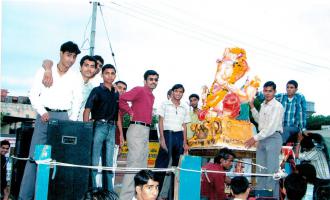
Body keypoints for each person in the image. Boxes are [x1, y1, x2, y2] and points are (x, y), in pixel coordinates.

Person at [19, 41, 82, 200]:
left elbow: (77, 100)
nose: (71, 60)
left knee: (60, 159)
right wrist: (42, 111)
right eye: (68, 55)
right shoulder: (45, 70)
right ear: (61, 53)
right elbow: (33, 94)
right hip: (44, 117)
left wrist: (71, 120)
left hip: (64, 119)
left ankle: (53, 196)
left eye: (74, 57)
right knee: (35, 158)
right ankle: (24, 197)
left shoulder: (75, 77)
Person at [119, 70, 159, 200]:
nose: (153, 81)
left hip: (146, 130)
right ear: (145, 81)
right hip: (136, 129)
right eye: (151, 79)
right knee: (133, 166)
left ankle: (138, 197)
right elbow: (122, 98)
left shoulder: (152, 96)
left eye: (155, 79)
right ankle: (124, 198)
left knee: (142, 167)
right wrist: (129, 111)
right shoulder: (140, 90)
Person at [83, 64, 122, 191]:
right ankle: (93, 190)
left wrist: (120, 134)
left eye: (112, 73)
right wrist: (86, 129)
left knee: (109, 162)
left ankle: (108, 191)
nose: (110, 76)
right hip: (98, 126)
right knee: (94, 161)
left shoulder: (116, 93)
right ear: (102, 74)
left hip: (112, 128)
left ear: (115, 75)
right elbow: (87, 110)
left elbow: (118, 115)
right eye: (107, 73)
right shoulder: (96, 90)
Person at [245, 81, 284, 198]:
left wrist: (254, 138)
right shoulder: (263, 105)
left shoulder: (277, 106)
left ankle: (272, 198)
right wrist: (252, 106)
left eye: (270, 91)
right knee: (260, 171)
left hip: (273, 138)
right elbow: (259, 122)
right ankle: (261, 197)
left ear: (275, 92)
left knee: (272, 172)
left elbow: (271, 128)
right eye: (265, 91)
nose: (267, 93)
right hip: (262, 138)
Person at [155, 84, 190, 199]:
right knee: (161, 166)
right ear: (173, 92)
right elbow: (160, 121)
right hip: (167, 134)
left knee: (176, 168)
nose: (178, 94)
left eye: (181, 92)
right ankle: (154, 195)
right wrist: (162, 139)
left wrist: (185, 143)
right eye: (176, 91)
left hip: (179, 136)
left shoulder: (185, 107)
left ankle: (172, 196)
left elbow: (184, 126)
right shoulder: (165, 104)